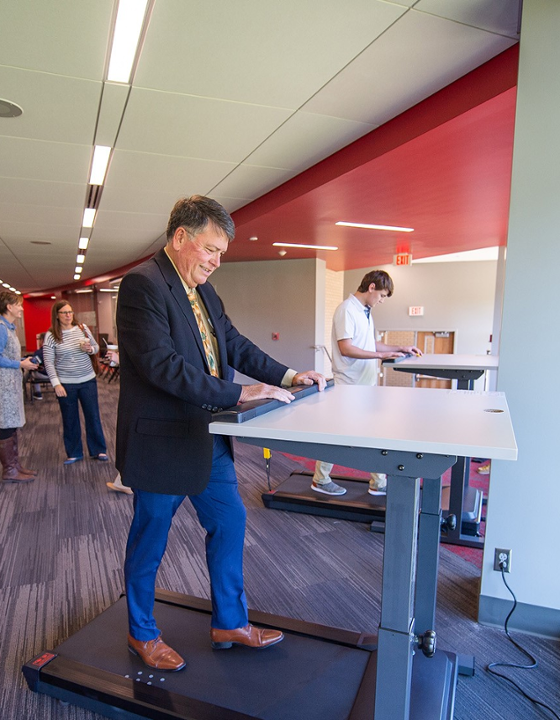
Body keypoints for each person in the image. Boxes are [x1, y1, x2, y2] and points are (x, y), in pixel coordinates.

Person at [117, 195, 327, 671]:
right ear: (180, 238)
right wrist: (239, 395)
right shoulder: (142, 285)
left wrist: (289, 375)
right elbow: (161, 367)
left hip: (206, 438)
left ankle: (229, 621)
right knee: (150, 541)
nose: (215, 261)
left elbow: (234, 344)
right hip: (160, 443)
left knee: (229, 523)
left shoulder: (206, 292)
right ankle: (141, 633)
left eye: (220, 254)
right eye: (210, 249)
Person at [310, 270, 419, 497]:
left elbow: (372, 344)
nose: (381, 301)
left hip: (365, 384)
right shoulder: (347, 310)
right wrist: (380, 357)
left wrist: (400, 349)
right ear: (371, 288)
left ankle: (378, 483)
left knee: (374, 432)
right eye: (381, 296)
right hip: (349, 385)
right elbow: (346, 348)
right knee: (338, 435)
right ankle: (321, 479)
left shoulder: (365, 311)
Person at [42, 300, 109, 464]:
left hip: (87, 380)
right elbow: (49, 362)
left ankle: (98, 450)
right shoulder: (51, 335)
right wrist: (56, 383)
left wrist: (90, 349)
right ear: (57, 316)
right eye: (64, 313)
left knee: (93, 416)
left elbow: (96, 347)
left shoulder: (82, 329)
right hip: (66, 383)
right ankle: (74, 452)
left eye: (70, 312)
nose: (68, 315)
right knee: (70, 418)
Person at [0, 290, 39, 483]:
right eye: (18, 304)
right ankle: (9, 470)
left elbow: (6, 355)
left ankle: (15, 466)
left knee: (12, 424)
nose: (21, 308)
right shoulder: (0, 328)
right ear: (9, 307)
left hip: (10, 382)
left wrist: (22, 361)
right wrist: (20, 364)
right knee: (6, 426)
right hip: (2, 384)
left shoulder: (9, 328)